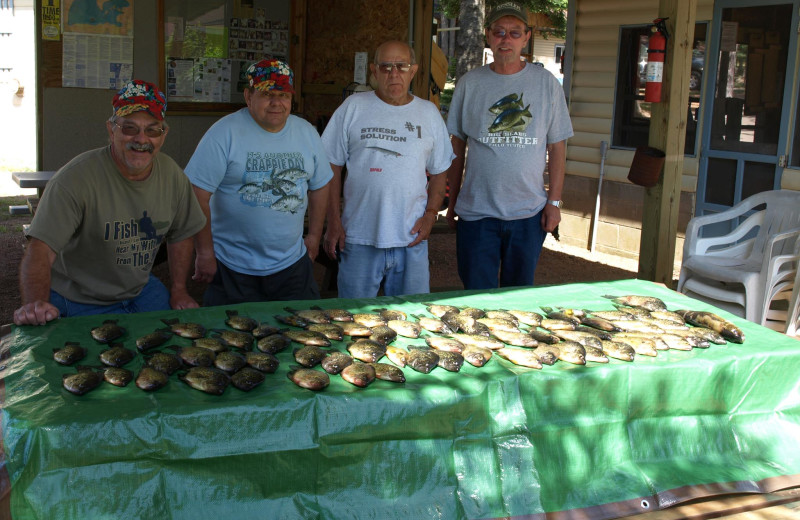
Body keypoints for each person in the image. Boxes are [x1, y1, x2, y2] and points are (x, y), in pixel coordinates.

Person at [13, 80, 207, 326]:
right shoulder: (74, 179)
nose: (141, 139)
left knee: (178, 347)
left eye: (152, 130)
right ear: (111, 129)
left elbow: (182, 234)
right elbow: (40, 249)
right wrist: (35, 304)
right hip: (80, 298)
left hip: (140, 289)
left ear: (163, 134)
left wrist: (179, 290)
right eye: (129, 128)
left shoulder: (172, 174)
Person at [445, 1, 574, 290]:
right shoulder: (469, 83)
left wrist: (554, 203)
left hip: (528, 213)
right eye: (499, 32)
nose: (506, 39)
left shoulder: (546, 83)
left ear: (527, 36)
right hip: (477, 213)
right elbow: (456, 148)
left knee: (519, 295)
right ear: (488, 35)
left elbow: (557, 148)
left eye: (515, 33)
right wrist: (452, 202)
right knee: (476, 296)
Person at [185, 58, 332, 305]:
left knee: (303, 331)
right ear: (248, 95)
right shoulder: (224, 132)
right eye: (267, 94)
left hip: (291, 263)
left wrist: (314, 236)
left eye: (283, 95)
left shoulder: (306, 131)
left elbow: (320, 186)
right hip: (232, 264)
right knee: (230, 336)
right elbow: (197, 194)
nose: (277, 102)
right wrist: (205, 252)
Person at [321, 40, 454, 298]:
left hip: (410, 237)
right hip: (358, 236)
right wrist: (334, 222)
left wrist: (430, 215)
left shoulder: (428, 113)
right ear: (373, 70)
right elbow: (331, 166)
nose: (394, 74)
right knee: (354, 320)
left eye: (401, 66)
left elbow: (440, 172)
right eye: (385, 67)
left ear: (413, 71)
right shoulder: (353, 107)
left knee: (412, 317)